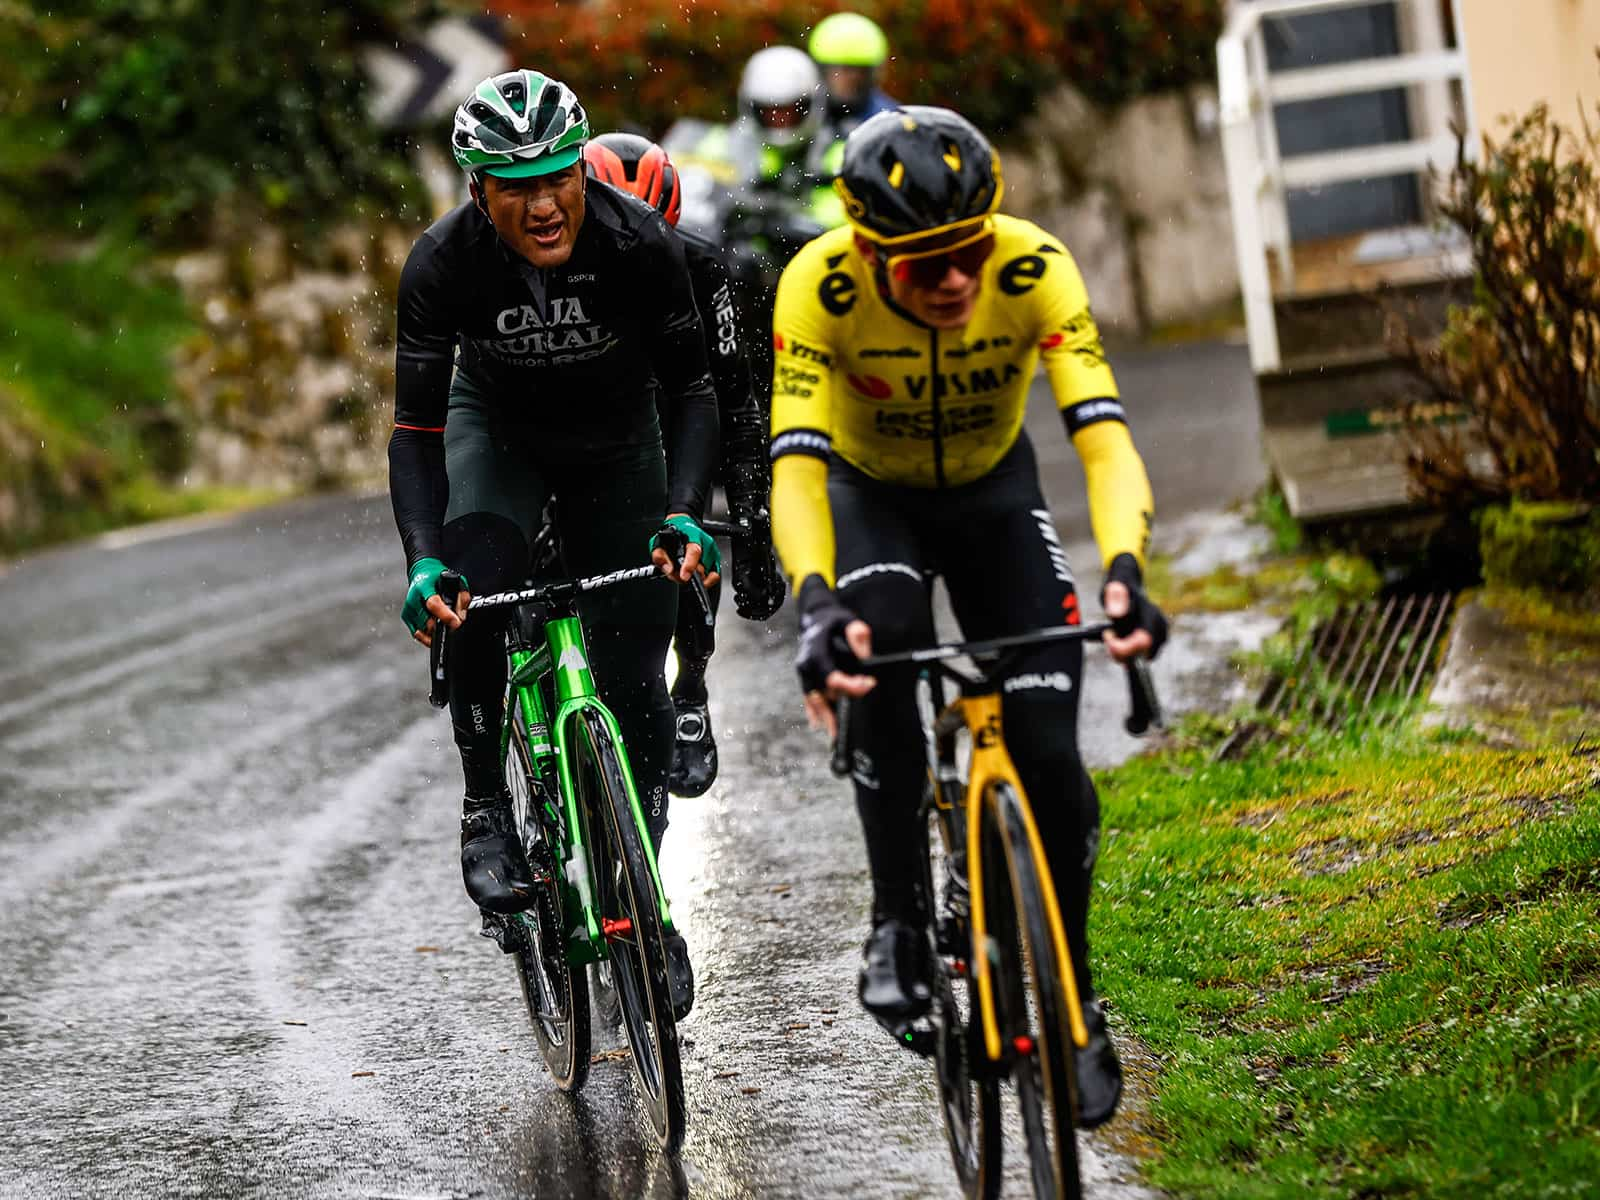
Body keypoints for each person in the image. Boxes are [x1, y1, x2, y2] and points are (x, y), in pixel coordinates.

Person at [767, 106, 1169, 1128]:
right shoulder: (820, 285)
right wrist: (816, 603)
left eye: (966, 252)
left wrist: (1123, 568)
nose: (953, 279)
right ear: (867, 248)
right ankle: (897, 919)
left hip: (995, 498)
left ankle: (1073, 993)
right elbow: (799, 472)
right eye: (923, 262)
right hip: (873, 501)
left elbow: (1104, 440)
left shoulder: (1035, 270)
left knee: (1049, 757)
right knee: (880, 653)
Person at [389, 69, 722, 1020]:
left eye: (559, 176)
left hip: (619, 445)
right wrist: (424, 559)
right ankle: (487, 806)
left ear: (583, 167)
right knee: (479, 593)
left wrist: (686, 510)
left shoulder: (637, 241)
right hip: (497, 435)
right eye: (516, 184)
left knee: (634, 677)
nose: (544, 204)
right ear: (476, 189)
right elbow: (415, 432)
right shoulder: (442, 263)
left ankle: (644, 903)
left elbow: (693, 389)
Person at [582, 132, 785, 798]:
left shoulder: (703, 267)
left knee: (692, 531)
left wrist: (754, 523)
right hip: (588, 426)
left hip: (671, 418)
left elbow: (737, 404)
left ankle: (690, 689)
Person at [808, 11, 897, 137]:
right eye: (839, 69)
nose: (849, 79)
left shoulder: (889, 121)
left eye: (859, 71)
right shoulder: (803, 116)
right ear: (821, 70)